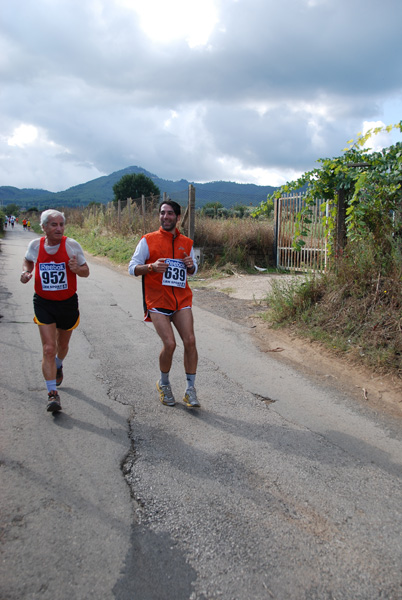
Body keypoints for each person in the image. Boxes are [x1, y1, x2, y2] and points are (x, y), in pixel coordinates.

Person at [128, 200, 200, 408]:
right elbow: (132, 268)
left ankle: (190, 390)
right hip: (157, 300)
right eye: (162, 213)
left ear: (178, 218)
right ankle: (164, 383)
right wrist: (151, 267)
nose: (165, 217)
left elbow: (193, 268)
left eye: (170, 214)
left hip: (181, 299)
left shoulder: (186, 242)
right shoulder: (148, 240)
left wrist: (190, 266)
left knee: (191, 342)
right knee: (170, 344)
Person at [20, 209, 90, 413]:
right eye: (54, 225)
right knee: (48, 349)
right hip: (43, 302)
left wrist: (77, 269)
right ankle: (52, 394)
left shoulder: (72, 245)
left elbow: (86, 272)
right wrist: (26, 272)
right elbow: (28, 260)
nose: (59, 228)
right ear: (44, 228)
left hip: (67, 303)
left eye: (61, 224)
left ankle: (58, 364)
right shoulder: (35, 245)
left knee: (62, 346)